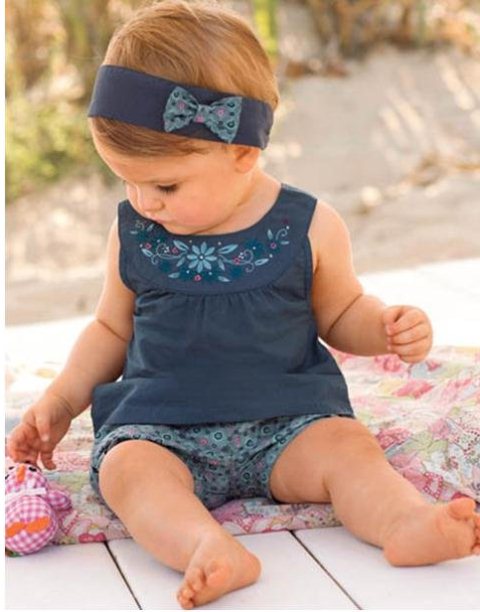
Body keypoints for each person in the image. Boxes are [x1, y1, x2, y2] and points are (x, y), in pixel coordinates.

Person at [7, 0, 480, 608]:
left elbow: (340, 312)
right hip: (161, 425)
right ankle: (207, 547)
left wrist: (384, 327)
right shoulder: (134, 233)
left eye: (164, 184)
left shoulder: (309, 225)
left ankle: (405, 523)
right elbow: (110, 329)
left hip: (289, 420)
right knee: (127, 473)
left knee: (350, 452)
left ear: (243, 154)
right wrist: (60, 401)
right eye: (126, 180)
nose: (143, 201)